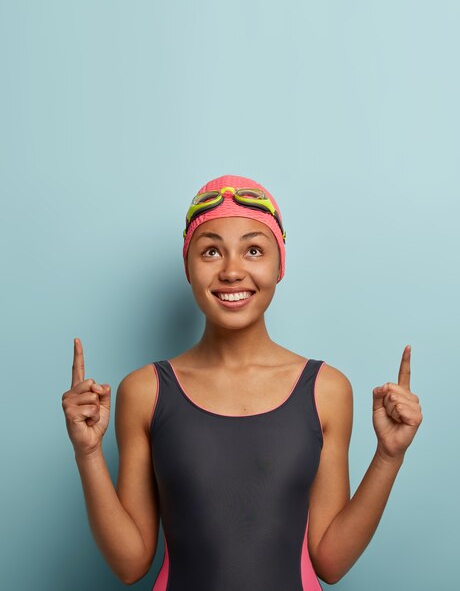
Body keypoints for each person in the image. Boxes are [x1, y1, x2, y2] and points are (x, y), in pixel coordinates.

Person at [61, 174, 423, 589]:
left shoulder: (326, 389)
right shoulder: (145, 391)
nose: (232, 271)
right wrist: (88, 454)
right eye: (211, 251)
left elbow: (330, 561)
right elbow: (130, 564)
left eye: (253, 250)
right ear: (188, 267)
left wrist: (388, 457)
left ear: (279, 264)